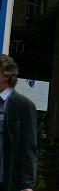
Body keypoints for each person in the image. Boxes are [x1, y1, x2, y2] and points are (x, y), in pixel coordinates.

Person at [0, 54, 37, 191]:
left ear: (6, 75)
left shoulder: (23, 106)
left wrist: (27, 185)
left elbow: (28, 147)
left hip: (7, 182)